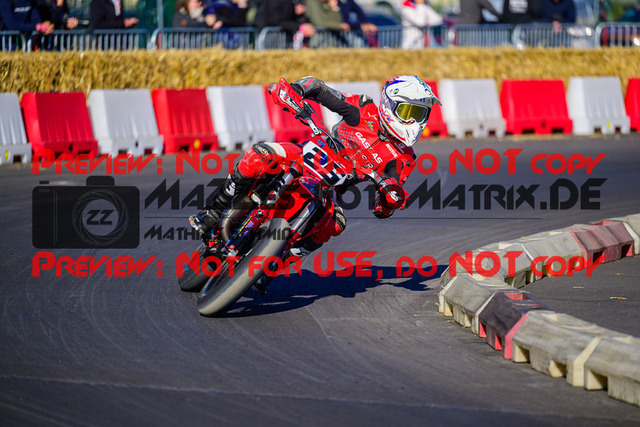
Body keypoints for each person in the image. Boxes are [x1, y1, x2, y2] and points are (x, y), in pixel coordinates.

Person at [190, 75, 441, 259]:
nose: (413, 121)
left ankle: (280, 261)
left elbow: (385, 203)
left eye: (420, 115)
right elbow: (319, 89)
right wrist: (295, 91)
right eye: (408, 111)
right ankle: (214, 210)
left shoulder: (404, 158)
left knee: (336, 224)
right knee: (260, 154)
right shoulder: (364, 109)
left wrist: (390, 201)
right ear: (389, 104)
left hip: (332, 188)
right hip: (306, 156)